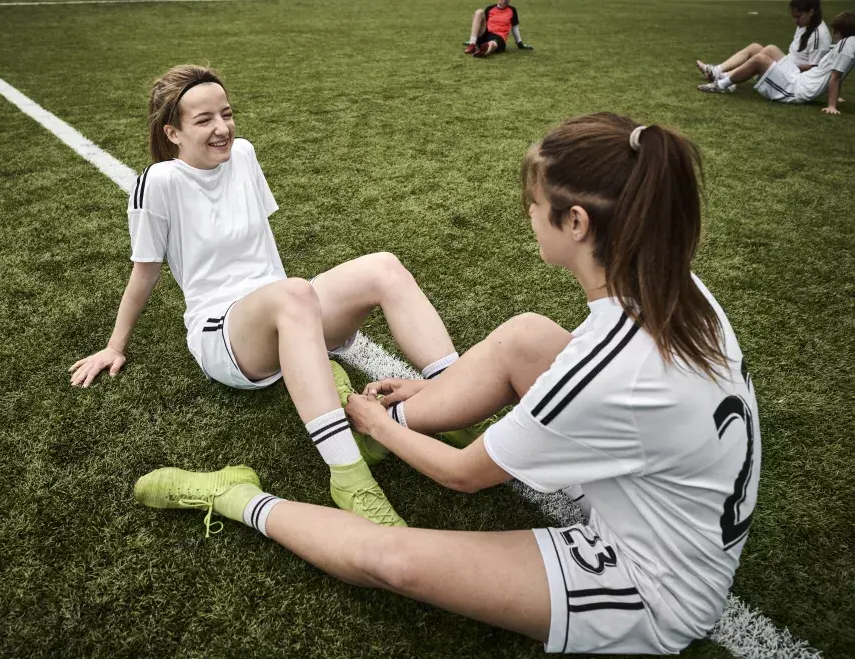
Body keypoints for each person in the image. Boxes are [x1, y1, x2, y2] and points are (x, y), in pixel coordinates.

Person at [133, 113, 761, 654]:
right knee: (525, 334)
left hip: (652, 586)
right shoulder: (680, 286)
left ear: (575, 223)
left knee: (392, 559)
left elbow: (465, 474)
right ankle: (418, 413)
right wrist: (428, 398)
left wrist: (372, 420)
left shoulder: (605, 366)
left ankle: (234, 498)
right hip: (659, 496)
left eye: (534, 207)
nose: (528, 216)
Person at [70, 65, 462, 528]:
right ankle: (348, 476)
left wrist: (295, 314)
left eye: (227, 113)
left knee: (383, 266)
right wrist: (115, 346)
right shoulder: (158, 182)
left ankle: (460, 399)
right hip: (225, 336)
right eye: (204, 120)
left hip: (289, 312)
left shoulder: (245, 155)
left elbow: (260, 250)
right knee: (292, 293)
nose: (222, 128)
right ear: (172, 132)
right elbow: (144, 274)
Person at [699, 11, 855, 115]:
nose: (832, 33)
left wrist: (832, 105)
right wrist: (835, 97)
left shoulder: (845, 47)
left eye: (835, 30)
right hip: (800, 78)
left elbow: (835, 77)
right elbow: (837, 74)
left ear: (840, 31)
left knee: (759, 60)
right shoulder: (848, 44)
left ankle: (720, 85)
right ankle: (722, 74)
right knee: (770, 49)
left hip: (797, 89)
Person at [696, 0, 831, 83]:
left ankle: (724, 77)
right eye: (794, 17)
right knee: (755, 47)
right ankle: (718, 70)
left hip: (794, 76)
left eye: (799, 17)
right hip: (787, 65)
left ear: (811, 12)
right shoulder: (805, 25)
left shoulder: (820, 36)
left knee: (767, 51)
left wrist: (779, 63)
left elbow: (816, 69)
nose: (795, 21)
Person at [463, 0, 532, 58]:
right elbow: (481, 24)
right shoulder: (489, 8)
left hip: (500, 37)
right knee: (479, 12)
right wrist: (472, 39)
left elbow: (515, 28)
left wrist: (520, 43)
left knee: (492, 43)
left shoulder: (512, 10)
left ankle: (484, 51)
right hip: (487, 34)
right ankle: (472, 44)